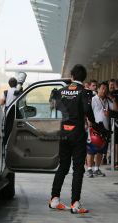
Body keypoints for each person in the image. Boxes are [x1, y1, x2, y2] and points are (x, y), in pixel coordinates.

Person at [49, 64, 103, 214]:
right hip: (77, 133)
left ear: (72, 76)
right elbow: (88, 112)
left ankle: (54, 199)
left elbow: (53, 107)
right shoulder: (85, 93)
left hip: (64, 132)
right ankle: (75, 203)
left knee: (63, 166)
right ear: (83, 78)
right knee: (78, 169)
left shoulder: (60, 91)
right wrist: (98, 128)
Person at [86, 81, 118, 177]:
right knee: (91, 150)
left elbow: (116, 109)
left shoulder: (107, 101)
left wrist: (112, 98)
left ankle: (96, 169)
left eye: (106, 88)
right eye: (102, 88)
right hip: (94, 128)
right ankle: (89, 169)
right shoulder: (93, 99)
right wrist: (89, 124)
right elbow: (87, 113)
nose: (104, 90)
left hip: (105, 129)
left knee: (101, 150)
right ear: (98, 89)